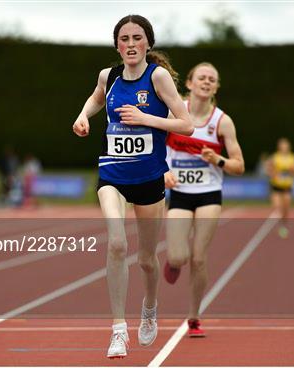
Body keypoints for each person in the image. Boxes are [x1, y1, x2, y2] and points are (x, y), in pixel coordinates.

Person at [72, 14, 193, 359]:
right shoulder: (107, 77)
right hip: (112, 174)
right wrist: (84, 116)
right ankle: (118, 330)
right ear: (117, 45)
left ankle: (150, 307)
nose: (130, 44)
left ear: (148, 43)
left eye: (137, 38)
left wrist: (146, 119)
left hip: (150, 179)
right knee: (116, 244)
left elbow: (186, 124)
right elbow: (96, 98)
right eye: (123, 39)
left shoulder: (158, 78)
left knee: (147, 260)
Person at [163, 62, 244, 337]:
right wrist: (164, 173)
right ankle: (173, 262)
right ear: (190, 83)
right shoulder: (175, 111)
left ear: (216, 87)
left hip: (209, 194)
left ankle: (194, 316)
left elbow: (239, 165)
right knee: (178, 256)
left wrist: (218, 159)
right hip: (180, 194)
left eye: (212, 79)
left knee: (199, 258)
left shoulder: (222, 121)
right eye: (202, 78)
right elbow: (155, 148)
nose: (207, 82)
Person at [267, 138, 294, 238]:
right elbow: (269, 170)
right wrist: (273, 173)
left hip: (287, 187)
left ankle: (284, 225)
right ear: (279, 147)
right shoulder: (275, 157)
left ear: (288, 147)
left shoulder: (292, 157)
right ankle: (281, 224)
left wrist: (292, 170)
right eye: (282, 145)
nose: (284, 147)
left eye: (286, 145)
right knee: (277, 207)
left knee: (286, 209)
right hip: (276, 186)